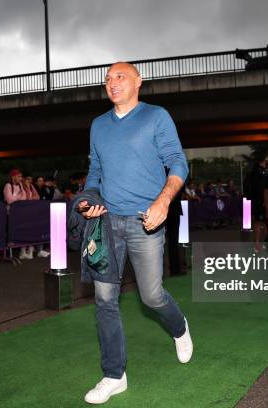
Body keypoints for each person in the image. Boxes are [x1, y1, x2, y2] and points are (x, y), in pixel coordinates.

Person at [80, 62, 193, 404]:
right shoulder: (98, 125)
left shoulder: (156, 116)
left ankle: (179, 327)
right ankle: (114, 375)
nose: (112, 83)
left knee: (152, 296)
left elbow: (178, 162)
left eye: (120, 76)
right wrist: (88, 200)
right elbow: (95, 171)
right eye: (108, 78)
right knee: (104, 299)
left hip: (147, 220)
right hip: (108, 224)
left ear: (138, 82)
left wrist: (163, 201)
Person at [244, 154, 268, 252]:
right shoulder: (259, 172)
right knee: (262, 222)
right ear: (263, 160)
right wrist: (263, 199)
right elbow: (261, 187)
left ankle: (259, 244)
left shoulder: (254, 171)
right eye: (266, 159)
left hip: (258, 200)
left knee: (260, 223)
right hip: (261, 200)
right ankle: (260, 244)